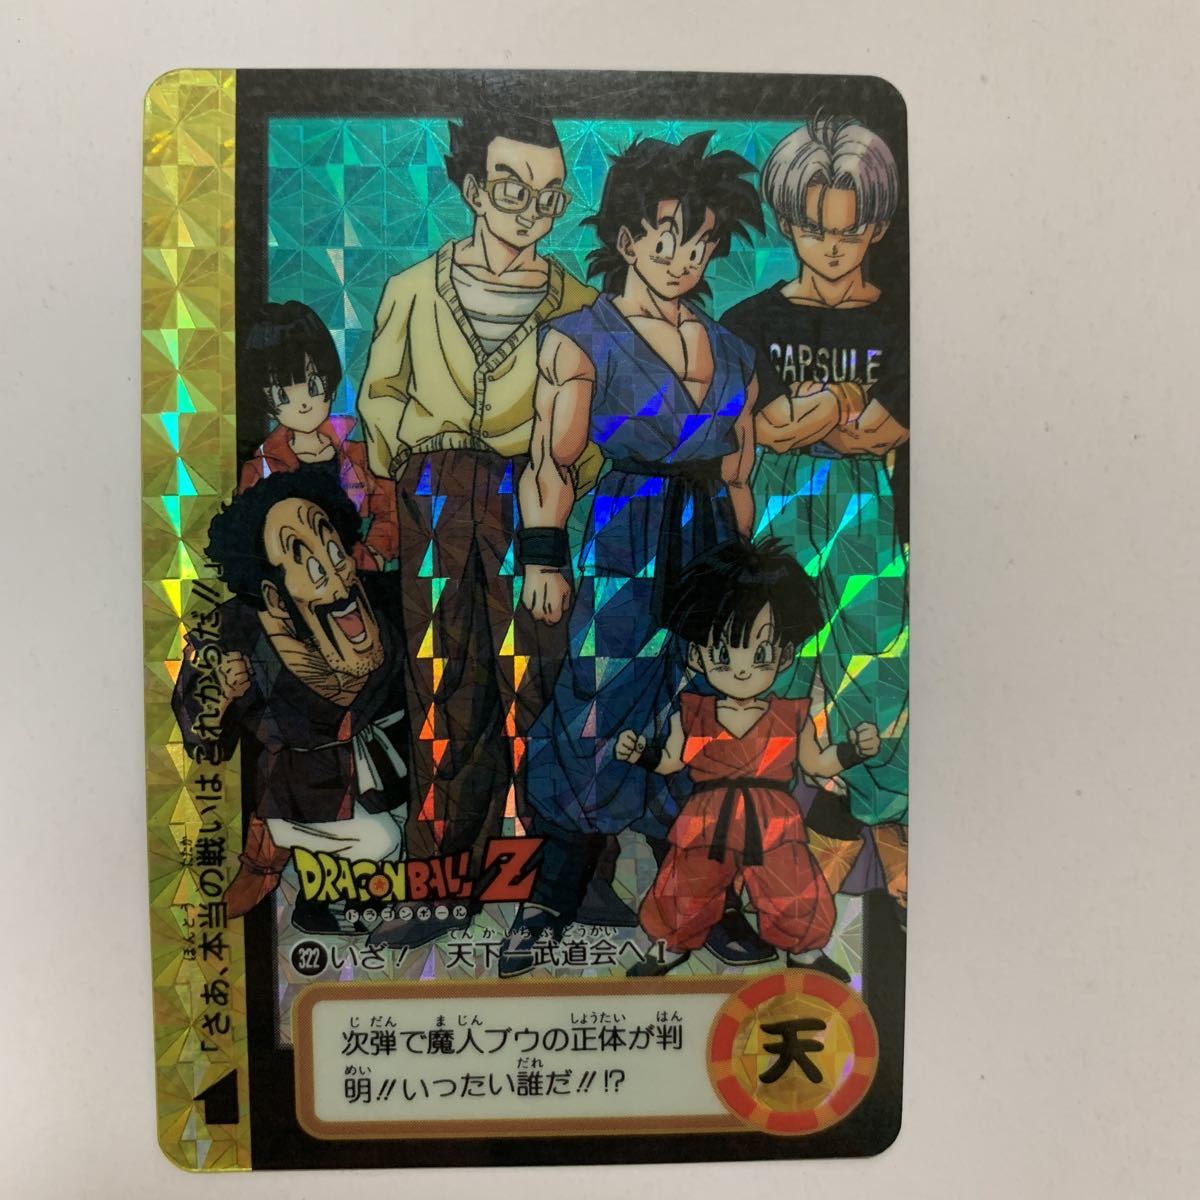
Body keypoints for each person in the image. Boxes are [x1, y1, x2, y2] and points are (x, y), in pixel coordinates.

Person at [500, 131, 766, 976]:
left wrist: (749, 581)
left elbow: (740, 474)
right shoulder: (582, 337)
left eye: (701, 243)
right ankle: (554, 896)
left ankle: (702, 901)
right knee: (600, 699)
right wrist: (543, 556)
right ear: (626, 238)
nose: (686, 259)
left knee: (704, 710)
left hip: (712, 548)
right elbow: (551, 460)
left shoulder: (733, 351)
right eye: (667, 238)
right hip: (626, 535)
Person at [356, 109, 602, 950]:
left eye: (550, 194)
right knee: (440, 689)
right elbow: (379, 398)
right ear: (470, 188)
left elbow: (594, 428)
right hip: (433, 497)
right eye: (511, 188)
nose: (532, 209)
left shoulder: (577, 304)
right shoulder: (412, 288)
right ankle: (441, 881)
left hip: (532, 498)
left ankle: (554, 880)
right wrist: (419, 467)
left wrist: (558, 479)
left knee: (538, 683)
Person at [720, 118, 909, 915]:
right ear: (786, 222)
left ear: (877, 226)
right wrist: (844, 399)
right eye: (813, 229)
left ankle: (884, 845)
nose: (832, 248)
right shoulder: (750, 321)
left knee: (876, 669)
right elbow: (761, 428)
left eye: (849, 230)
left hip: (866, 508)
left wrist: (811, 411)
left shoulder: (901, 319)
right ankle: (760, 865)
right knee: (773, 675)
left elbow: (882, 434)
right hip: (780, 506)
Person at [614, 539, 879, 977]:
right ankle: (670, 945)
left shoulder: (789, 716)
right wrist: (642, 754)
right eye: (723, 654)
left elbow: (816, 765)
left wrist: (852, 751)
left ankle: (804, 952)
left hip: (772, 820)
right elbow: (671, 761)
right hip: (706, 820)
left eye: (760, 654)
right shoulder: (693, 713)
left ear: (784, 655)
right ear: (698, 655)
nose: (741, 669)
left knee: (791, 886)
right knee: (687, 887)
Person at [172, 469, 410, 932]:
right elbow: (201, 742)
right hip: (302, 801)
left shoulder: (385, 599)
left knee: (395, 836)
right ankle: (308, 887)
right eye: (311, 566)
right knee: (381, 840)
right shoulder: (231, 633)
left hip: (393, 786)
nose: (338, 578)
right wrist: (219, 699)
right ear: (274, 596)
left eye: (334, 552)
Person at [239, 300, 397, 570]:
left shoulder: (358, 455)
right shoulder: (261, 470)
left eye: (313, 385)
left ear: (330, 382)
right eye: (283, 395)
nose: (303, 403)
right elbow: (250, 538)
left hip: (358, 574)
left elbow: (391, 510)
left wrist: (374, 556)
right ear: (265, 403)